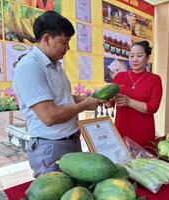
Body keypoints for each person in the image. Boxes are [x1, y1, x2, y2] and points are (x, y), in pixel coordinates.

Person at [13, 11, 104, 178]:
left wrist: (86, 99)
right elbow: (49, 116)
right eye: (65, 42)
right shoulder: (30, 67)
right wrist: (84, 106)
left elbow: (64, 98)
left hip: (70, 140)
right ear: (47, 39)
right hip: (51, 147)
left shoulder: (54, 65)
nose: (68, 48)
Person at [106, 40, 163, 147]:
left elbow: (153, 107)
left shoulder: (154, 79)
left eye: (139, 55)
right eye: (131, 56)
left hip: (143, 132)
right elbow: (109, 104)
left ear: (147, 58)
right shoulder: (119, 77)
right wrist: (106, 98)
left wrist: (129, 102)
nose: (134, 59)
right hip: (121, 130)